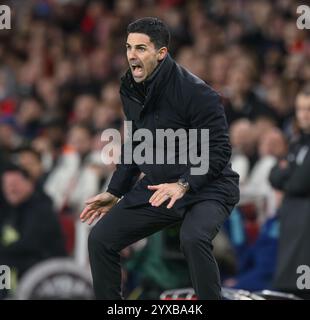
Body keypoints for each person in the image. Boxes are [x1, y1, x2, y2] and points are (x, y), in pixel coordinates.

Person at [80, 17, 240, 300]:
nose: (132, 55)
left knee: (192, 238)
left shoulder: (197, 93)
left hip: (208, 188)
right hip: (158, 188)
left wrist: (183, 184)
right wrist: (115, 191)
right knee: (101, 240)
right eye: (128, 47)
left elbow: (218, 152)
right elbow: (135, 143)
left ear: (161, 53)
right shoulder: (130, 87)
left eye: (141, 48)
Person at [269, 85, 310, 298]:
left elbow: (299, 183)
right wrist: (288, 172)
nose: (303, 115)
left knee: (304, 288)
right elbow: (274, 176)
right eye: (300, 109)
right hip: (292, 225)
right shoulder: (296, 142)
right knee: (289, 288)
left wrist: (288, 170)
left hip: (306, 231)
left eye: (308, 109)